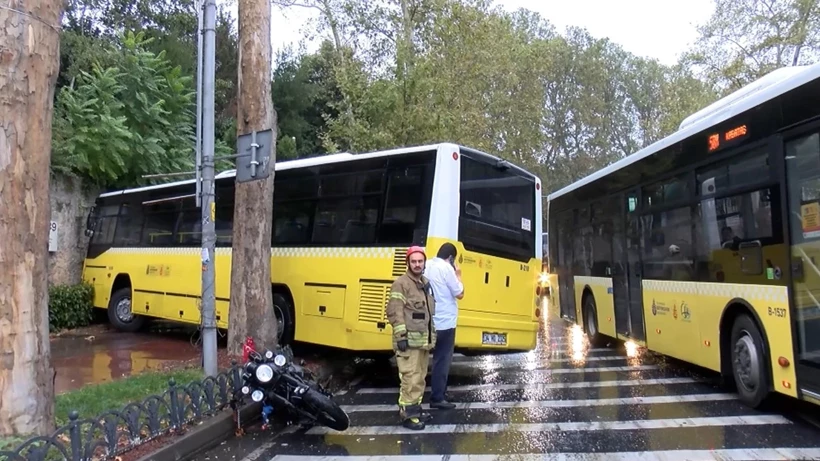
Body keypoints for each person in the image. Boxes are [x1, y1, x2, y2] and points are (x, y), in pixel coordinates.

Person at [385, 245, 437, 430]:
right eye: (413, 261)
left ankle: (416, 409)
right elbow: (394, 310)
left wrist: (432, 339)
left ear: (424, 263)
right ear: (408, 263)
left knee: (420, 378)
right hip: (408, 342)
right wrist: (401, 336)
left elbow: (427, 314)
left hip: (422, 342)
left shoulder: (424, 283)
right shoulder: (401, 283)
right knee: (410, 378)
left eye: (420, 261)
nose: (417, 264)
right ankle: (408, 416)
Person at [424, 242, 464, 410]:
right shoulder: (447, 269)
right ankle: (438, 397)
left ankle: (415, 398)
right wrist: (459, 275)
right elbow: (460, 293)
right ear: (451, 257)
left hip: (428, 320)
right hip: (445, 322)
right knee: (442, 359)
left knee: (421, 360)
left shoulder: (427, 265)